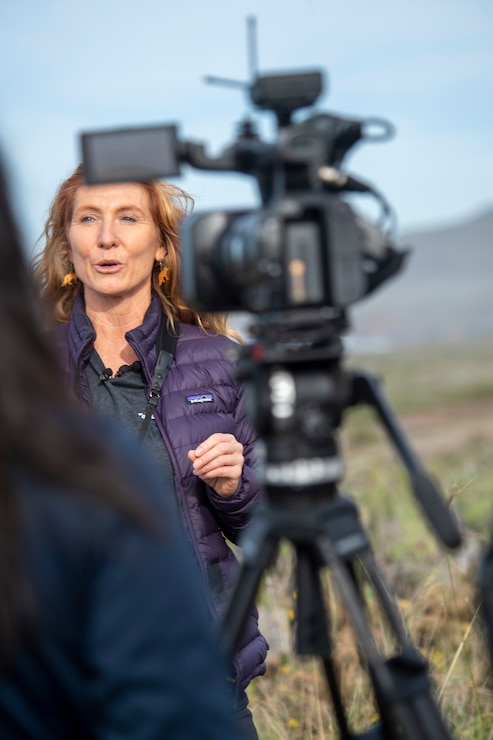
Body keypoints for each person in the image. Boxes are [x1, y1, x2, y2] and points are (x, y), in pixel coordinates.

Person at [0, 155, 241, 738]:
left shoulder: (219, 362)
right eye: (88, 219)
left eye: (128, 218)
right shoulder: (27, 373)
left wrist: (236, 487)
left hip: (201, 671)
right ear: (67, 243)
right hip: (56, 687)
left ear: (160, 246)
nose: (107, 238)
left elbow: (271, 526)